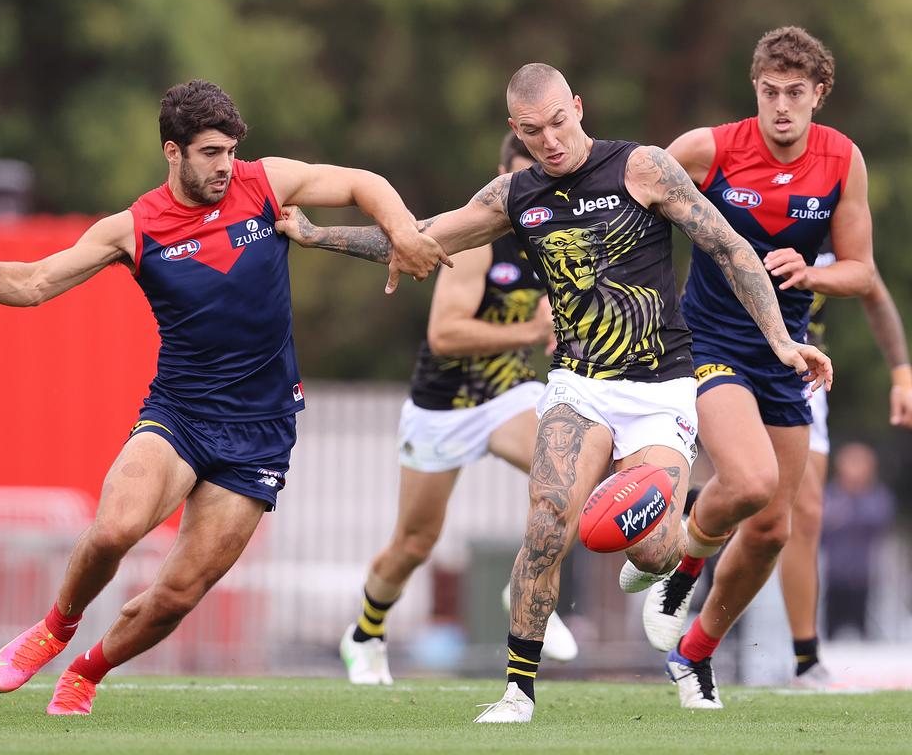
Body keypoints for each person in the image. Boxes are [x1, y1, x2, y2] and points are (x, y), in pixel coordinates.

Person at [277, 62, 831, 723]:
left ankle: (671, 564)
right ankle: (517, 689)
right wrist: (316, 236)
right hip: (579, 385)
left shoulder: (643, 168)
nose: (551, 141)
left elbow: (731, 249)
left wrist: (778, 339)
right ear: (517, 129)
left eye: (560, 122)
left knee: (651, 551)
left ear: (578, 105)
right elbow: (418, 236)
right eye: (534, 131)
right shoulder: (514, 194)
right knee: (545, 521)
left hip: (659, 389)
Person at [0, 79, 449, 716]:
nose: (225, 165)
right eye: (210, 153)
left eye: (230, 151)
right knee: (114, 530)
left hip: (262, 429)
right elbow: (32, 284)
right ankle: (56, 628)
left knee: (175, 596)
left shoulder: (264, 183)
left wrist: (402, 232)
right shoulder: (132, 227)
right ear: (174, 152)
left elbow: (363, 182)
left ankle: (86, 671)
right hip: (181, 415)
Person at [639, 27, 877, 709]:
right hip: (708, 342)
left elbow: (860, 270)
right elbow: (633, 196)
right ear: (756, 90)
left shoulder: (842, 161)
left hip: (788, 355)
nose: (781, 107)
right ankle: (683, 570)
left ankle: (695, 655)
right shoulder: (708, 148)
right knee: (747, 481)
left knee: (774, 527)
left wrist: (813, 273)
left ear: (819, 95)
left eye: (795, 94)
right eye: (770, 92)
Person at [333, 132, 577, 687]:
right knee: (414, 544)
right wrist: (533, 328)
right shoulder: (480, 239)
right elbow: (444, 334)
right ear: (503, 176)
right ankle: (366, 633)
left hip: (509, 395)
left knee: (568, 477)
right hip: (442, 408)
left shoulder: (556, 234)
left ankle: (525, 585)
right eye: (524, 174)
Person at [780, 253, 912, 688]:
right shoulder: (736, 193)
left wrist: (902, 374)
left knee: (803, 516)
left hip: (804, 377)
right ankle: (688, 553)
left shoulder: (835, 200)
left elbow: (870, 283)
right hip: (732, 364)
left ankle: (806, 660)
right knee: (751, 491)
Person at [820, 442, 896, 639]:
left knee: (866, 631)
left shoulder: (878, 497)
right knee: (828, 629)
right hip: (830, 577)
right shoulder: (828, 495)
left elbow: (878, 522)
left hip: (866, 578)